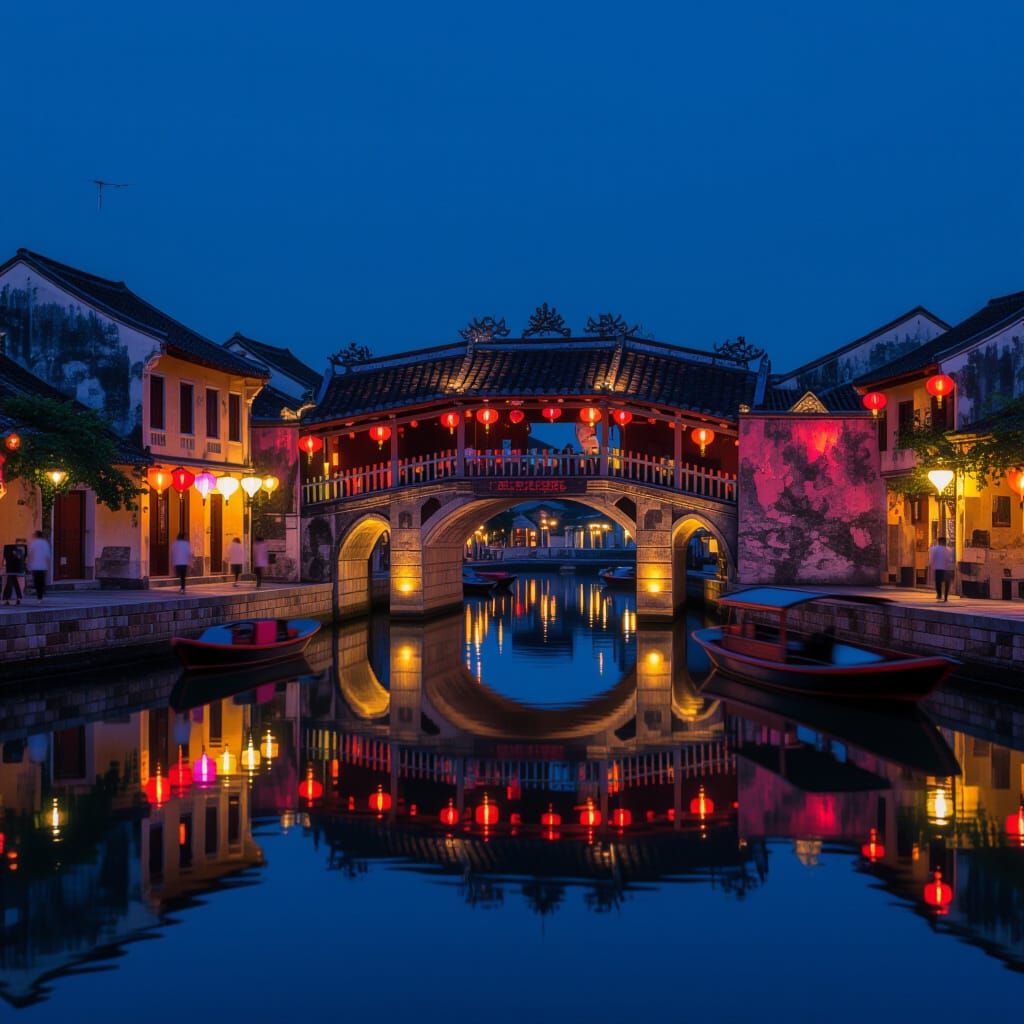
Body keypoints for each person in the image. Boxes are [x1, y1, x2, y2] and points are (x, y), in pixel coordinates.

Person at [26, 530, 51, 603]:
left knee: (37, 582)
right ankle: (41, 596)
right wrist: (48, 566)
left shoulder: (33, 543)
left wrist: (28, 563)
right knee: (41, 581)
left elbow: (31, 554)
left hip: (35, 566)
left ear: (36, 535)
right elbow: (47, 556)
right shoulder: (45, 543)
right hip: (43, 566)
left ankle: (39, 597)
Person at [929, 536, 953, 602]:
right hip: (946, 569)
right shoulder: (949, 549)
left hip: (938, 568)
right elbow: (950, 559)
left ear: (938, 541)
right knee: (947, 583)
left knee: (938, 582)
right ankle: (945, 597)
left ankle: (939, 595)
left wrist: (931, 566)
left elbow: (932, 558)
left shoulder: (934, 549)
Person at [2, 539, 26, 605]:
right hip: (12, 569)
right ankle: (15, 599)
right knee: (13, 583)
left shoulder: (19, 550)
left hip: (14, 570)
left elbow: (20, 559)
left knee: (11, 584)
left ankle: (8, 599)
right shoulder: (14, 550)